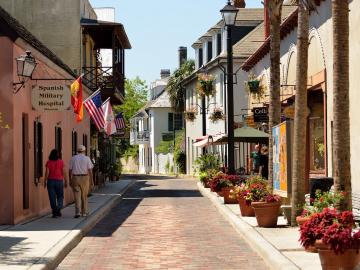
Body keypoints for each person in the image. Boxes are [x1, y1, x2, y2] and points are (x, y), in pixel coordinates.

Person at [69, 145, 94, 218]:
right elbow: (90, 170)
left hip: (75, 177)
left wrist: (70, 179)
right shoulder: (87, 158)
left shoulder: (73, 158)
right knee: (84, 196)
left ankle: (77, 212)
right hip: (84, 177)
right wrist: (92, 180)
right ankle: (84, 212)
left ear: (77, 151)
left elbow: (70, 170)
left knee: (77, 196)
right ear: (84, 151)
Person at [44, 149, 68, 218]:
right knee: (60, 196)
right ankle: (58, 208)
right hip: (59, 181)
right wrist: (66, 181)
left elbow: (47, 173)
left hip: (50, 181)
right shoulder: (61, 162)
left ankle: (55, 211)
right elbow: (64, 172)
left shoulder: (49, 162)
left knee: (52, 197)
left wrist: (45, 181)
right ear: (58, 155)